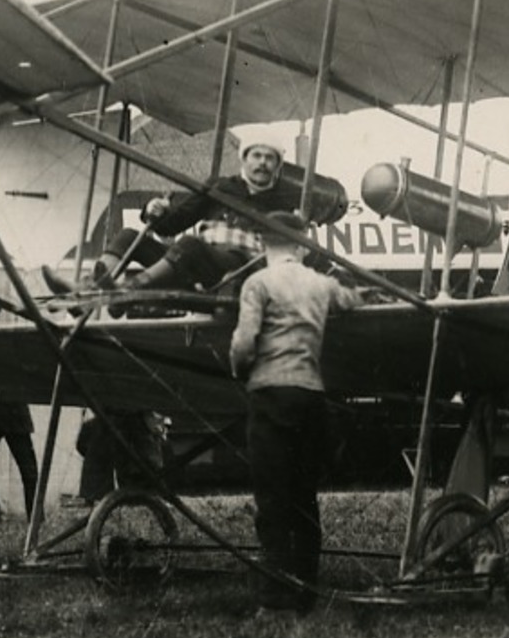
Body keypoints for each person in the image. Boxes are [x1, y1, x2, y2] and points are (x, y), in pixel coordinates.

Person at [229, 211, 362, 613]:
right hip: (310, 396)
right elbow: (350, 301)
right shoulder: (320, 284)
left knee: (272, 501)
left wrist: (239, 371)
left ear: (263, 244)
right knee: (305, 498)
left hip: (270, 395)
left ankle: (273, 600)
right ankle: (307, 591)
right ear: (302, 245)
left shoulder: (258, 283)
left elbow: (245, 344)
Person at [41, 142, 347, 302]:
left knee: (189, 245)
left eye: (270, 158)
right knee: (127, 235)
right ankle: (88, 286)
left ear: (279, 167)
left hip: (233, 269)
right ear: (245, 160)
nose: (262, 163)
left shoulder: (284, 200)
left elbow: (303, 245)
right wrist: (153, 209)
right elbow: (170, 225)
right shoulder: (221, 187)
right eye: (257, 155)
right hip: (188, 263)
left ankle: (126, 290)